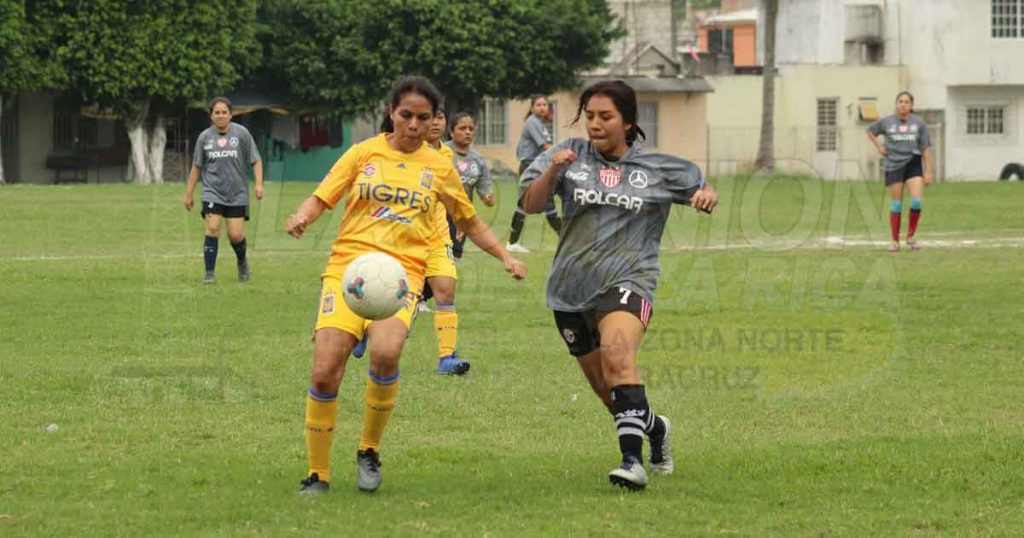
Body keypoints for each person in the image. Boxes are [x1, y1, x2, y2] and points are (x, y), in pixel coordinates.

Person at [286, 76, 526, 494]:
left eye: (423, 117)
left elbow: (468, 220)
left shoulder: (439, 166)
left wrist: (504, 256)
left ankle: (369, 448)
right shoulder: (363, 153)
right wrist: (303, 217)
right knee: (325, 371)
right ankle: (317, 473)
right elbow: (323, 196)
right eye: (405, 115)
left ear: (435, 120)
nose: (414, 125)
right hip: (348, 270)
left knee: (386, 353)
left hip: (401, 277)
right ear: (390, 113)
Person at [520, 80, 717, 491]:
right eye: (589, 115)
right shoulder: (566, 155)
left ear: (628, 122)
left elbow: (700, 188)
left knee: (618, 354)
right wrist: (554, 168)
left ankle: (632, 462)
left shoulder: (659, 168)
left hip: (630, 279)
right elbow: (530, 204)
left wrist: (705, 195)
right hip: (570, 290)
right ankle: (655, 426)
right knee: (610, 391)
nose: (595, 123)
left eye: (605, 116)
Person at [354, 105, 471, 375]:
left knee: (446, 290)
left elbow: (449, 192)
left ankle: (446, 357)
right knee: (388, 288)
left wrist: (460, 220)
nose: (435, 123)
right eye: (429, 117)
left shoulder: (446, 154)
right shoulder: (397, 151)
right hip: (404, 237)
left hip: (438, 237)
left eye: (440, 117)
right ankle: (362, 329)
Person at [182, 97, 264, 284]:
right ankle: (209, 274)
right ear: (211, 116)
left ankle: (242, 262)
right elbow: (197, 167)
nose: (221, 116)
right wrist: (189, 194)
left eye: (224, 112)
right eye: (217, 113)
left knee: (235, 235)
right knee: (212, 228)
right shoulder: (204, 138)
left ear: (230, 114)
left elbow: (256, 160)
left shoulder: (242, 134)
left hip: (237, 193)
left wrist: (259, 184)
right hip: (212, 191)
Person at [866, 91, 933, 252]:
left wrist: (928, 170)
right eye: (900, 101)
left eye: (907, 102)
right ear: (897, 104)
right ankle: (894, 241)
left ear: (911, 105)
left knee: (916, 201)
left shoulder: (919, 123)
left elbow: (925, 148)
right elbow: (870, 130)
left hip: (913, 163)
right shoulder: (887, 121)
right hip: (894, 165)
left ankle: (910, 239)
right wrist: (879, 146)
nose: (903, 104)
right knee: (896, 204)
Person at [506, 95, 561, 253]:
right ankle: (566, 242)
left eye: (545, 104)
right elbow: (545, 146)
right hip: (532, 169)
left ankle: (512, 243)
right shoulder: (532, 122)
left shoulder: (539, 124)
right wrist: (560, 155)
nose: (543, 107)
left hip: (536, 168)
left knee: (533, 204)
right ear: (532, 108)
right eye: (539, 104)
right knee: (544, 204)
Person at [445, 112, 496, 259]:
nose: (467, 132)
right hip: (439, 213)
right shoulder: (442, 152)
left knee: (453, 258)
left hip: (462, 215)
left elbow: (485, 187)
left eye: (471, 129)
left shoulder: (478, 160)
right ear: (451, 131)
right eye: (462, 128)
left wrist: (488, 197)